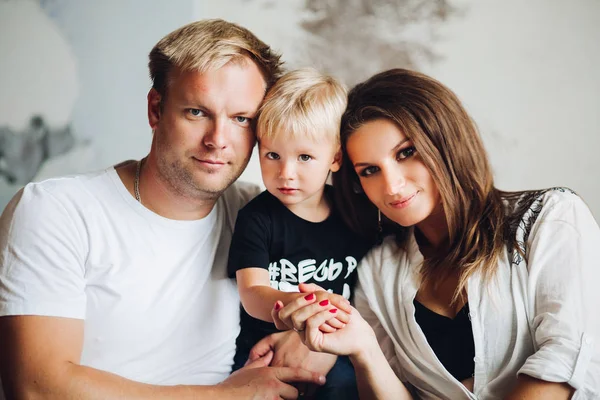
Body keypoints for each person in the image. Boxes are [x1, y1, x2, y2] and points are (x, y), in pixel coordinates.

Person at [0, 19, 328, 399]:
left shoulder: (256, 212)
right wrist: (224, 397)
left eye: (241, 119)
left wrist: (316, 339)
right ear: (156, 110)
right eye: (196, 112)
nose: (218, 141)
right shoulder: (55, 210)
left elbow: (365, 260)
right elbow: (37, 387)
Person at [271, 68, 600, 399]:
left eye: (406, 152)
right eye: (370, 171)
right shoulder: (378, 272)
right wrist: (364, 351)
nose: (392, 185)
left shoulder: (550, 217)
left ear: (444, 139)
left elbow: (562, 362)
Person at [227, 68, 373, 399]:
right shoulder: (257, 218)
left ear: (335, 157)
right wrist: (295, 306)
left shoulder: (355, 215)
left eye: (305, 157)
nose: (285, 173)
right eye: (272, 155)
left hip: (335, 348)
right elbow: (252, 293)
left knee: (345, 387)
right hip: (262, 350)